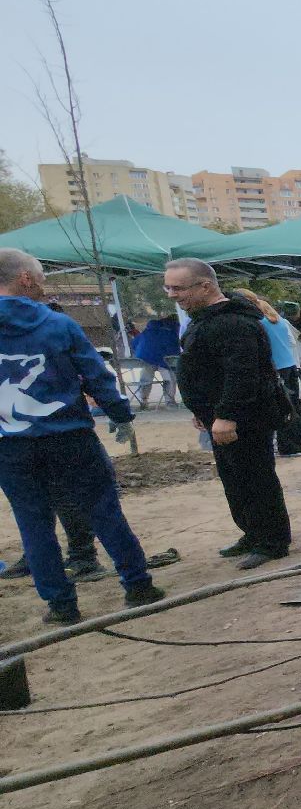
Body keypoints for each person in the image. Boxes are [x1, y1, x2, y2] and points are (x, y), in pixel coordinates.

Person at [0, 249, 166, 623]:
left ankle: (61, 605)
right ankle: (138, 585)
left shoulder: (58, 323)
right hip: (69, 437)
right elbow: (96, 374)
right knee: (103, 510)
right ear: (25, 278)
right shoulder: (59, 325)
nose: (44, 284)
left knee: (33, 522)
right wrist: (120, 414)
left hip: (10, 444)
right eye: (40, 276)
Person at [167, 258, 294, 571]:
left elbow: (243, 374)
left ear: (205, 285)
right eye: (168, 288)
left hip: (245, 418)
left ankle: (272, 541)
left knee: (256, 478)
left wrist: (226, 415)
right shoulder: (204, 319)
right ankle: (252, 532)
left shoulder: (235, 323)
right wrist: (202, 411)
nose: (173, 295)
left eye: (179, 288)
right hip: (218, 416)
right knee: (234, 480)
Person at [233, 289, 301, 457]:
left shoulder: (255, 322)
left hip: (274, 368)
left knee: (281, 407)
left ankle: (289, 446)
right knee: (294, 406)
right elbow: (292, 341)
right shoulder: (280, 321)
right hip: (289, 365)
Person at [129, 313, 180, 409]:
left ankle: (143, 401)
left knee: (145, 380)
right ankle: (169, 401)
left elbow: (134, 344)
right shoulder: (170, 332)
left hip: (145, 359)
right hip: (164, 360)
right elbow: (175, 348)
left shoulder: (146, 332)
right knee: (169, 379)